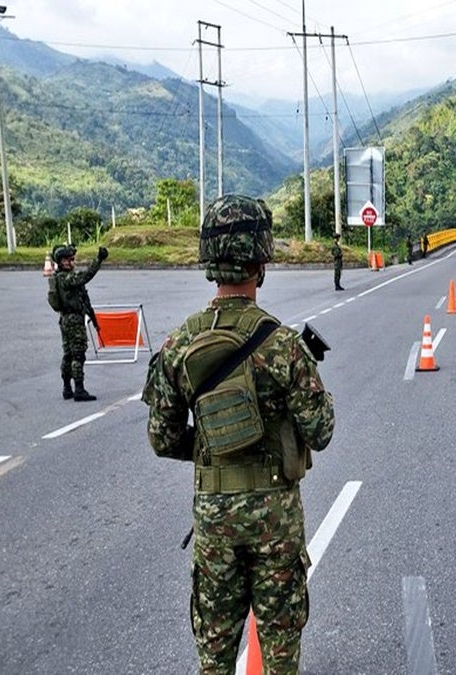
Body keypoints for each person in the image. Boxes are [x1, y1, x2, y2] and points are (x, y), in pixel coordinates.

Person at [142, 194, 335, 674]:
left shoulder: (179, 343)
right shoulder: (283, 345)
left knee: (214, 655)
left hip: (213, 520)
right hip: (275, 518)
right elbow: (322, 429)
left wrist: (213, 446)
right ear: (262, 259)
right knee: (281, 653)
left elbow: (163, 438)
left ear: (209, 261)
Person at [51, 243, 107, 401]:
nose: (72, 262)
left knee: (68, 354)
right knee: (77, 355)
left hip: (65, 319)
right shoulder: (66, 277)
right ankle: (79, 389)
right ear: (62, 262)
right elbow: (86, 276)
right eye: (69, 260)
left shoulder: (59, 277)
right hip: (74, 320)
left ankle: (67, 388)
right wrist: (98, 260)